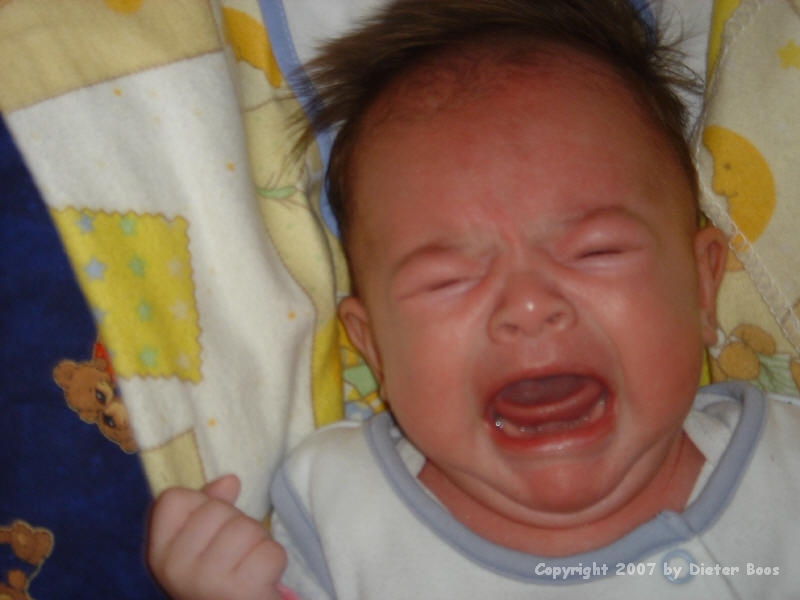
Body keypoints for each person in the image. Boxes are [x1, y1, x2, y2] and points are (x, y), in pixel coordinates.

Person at [146, 0, 800, 598]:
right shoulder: (344, 518)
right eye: (447, 280)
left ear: (703, 286)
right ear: (374, 348)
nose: (528, 305)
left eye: (596, 251)